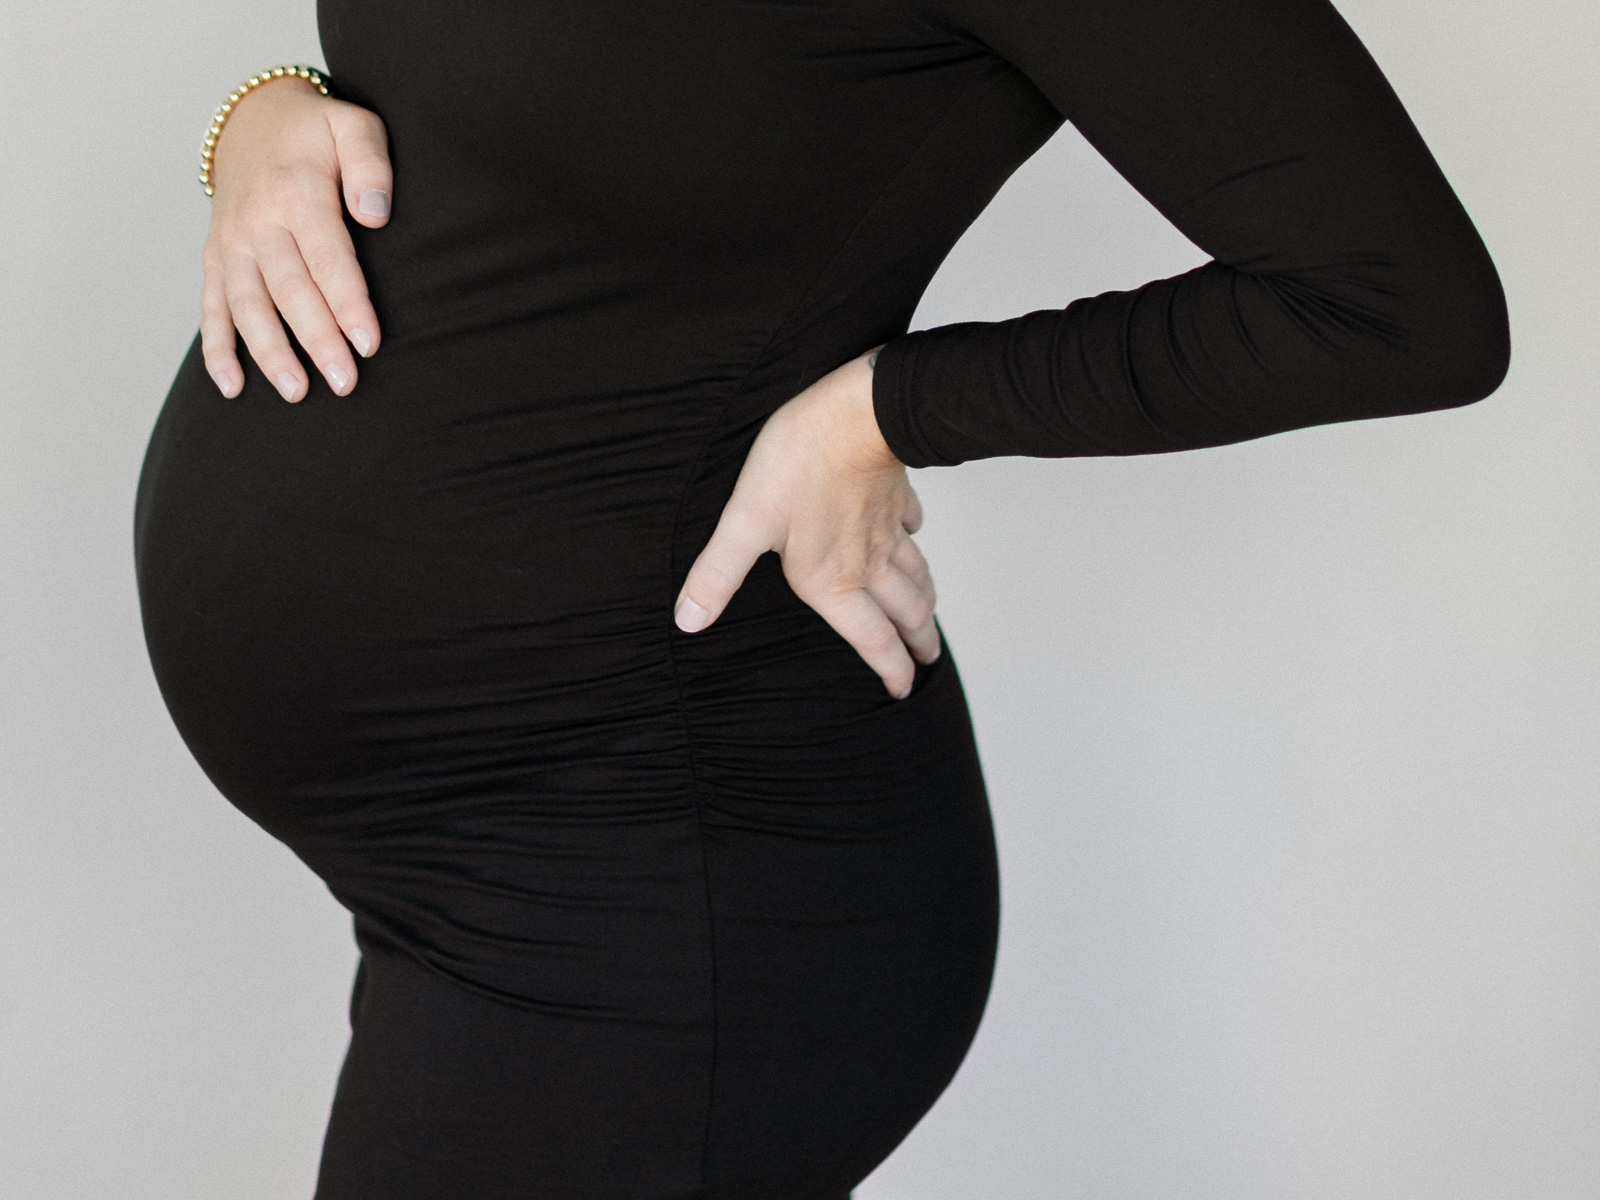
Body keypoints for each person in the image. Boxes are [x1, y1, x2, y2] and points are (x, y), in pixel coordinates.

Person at [133, 1, 1509, 1196]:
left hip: (657, 873)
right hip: (477, 858)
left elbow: (1402, 302)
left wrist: (885, 408)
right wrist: (267, 117)